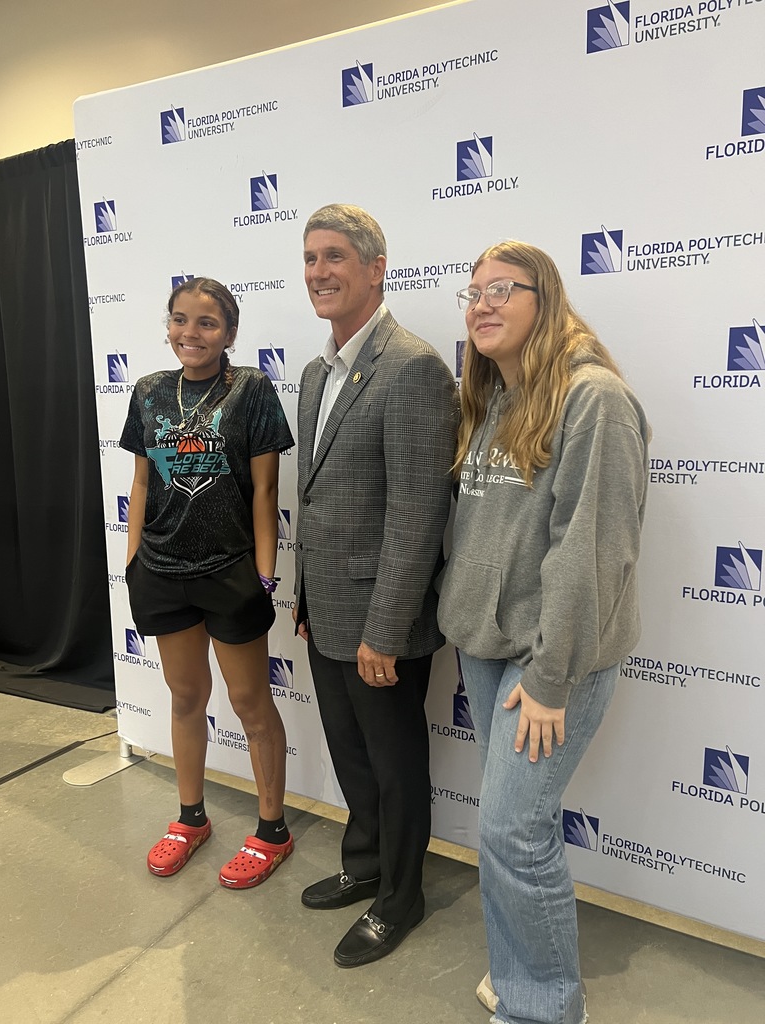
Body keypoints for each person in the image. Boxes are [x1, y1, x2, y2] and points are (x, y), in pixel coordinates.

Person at [437, 241, 649, 1024]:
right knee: (505, 830)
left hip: (551, 660)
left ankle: (543, 1007)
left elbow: (590, 552)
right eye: (474, 291)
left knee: (514, 832)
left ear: (545, 298)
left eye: (503, 289)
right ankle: (518, 970)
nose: (482, 303)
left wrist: (550, 677)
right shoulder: (497, 396)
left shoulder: (593, 400)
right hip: (490, 648)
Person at [294, 204, 458, 968]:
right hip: (324, 610)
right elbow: (320, 495)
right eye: (310, 259)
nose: (318, 273)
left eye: (333, 257)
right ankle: (364, 863)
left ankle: (401, 897)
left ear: (375, 268)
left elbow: (418, 514)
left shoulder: (414, 366)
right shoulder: (314, 371)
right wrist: (300, 597)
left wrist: (385, 629)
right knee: (350, 757)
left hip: (379, 623)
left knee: (394, 768)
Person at [120, 277, 295, 889]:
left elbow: (266, 491)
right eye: (179, 320)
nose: (189, 334)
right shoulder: (147, 393)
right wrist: (135, 560)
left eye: (206, 323)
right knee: (185, 697)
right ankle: (190, 818)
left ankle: (273, 829)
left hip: (230, 573)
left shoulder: (250, 390)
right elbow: (142, 484)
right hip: (163, 575)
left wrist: (265, 575)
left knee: (251, 704)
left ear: (230, 333)